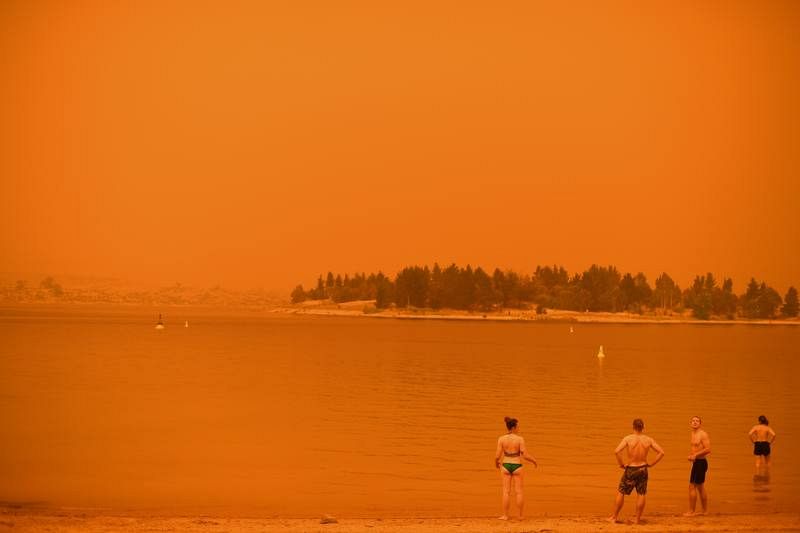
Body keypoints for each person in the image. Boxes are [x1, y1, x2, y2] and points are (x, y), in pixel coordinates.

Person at [608, 418, 665, 524]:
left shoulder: (628, 438)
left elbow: (616, 451)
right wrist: (651, 464)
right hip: (643, 468)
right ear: (643, 428)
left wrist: (621, 464)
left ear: (633, 427)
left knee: (621, 492)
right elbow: (661, 452)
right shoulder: (648, 439)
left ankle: (614, 517)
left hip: (631, 468)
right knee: (641, 493)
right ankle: (637, 520)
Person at [494, 416, 538, 520]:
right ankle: (520, 515)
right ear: (513, 427)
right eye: (518, 427)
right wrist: (534, 460)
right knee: (519, 491)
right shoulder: (520, 439)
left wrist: (496, 462)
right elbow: (525, 455)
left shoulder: (501, 439)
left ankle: (505, 515)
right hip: (517, 465)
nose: (519, 428)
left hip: (505, 465)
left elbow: (497, 455)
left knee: (506, 491)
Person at [684, 416, 711, 516]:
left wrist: (695, 455)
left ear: (700, 424)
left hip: (701, 463)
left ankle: (691, 511)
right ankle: (705, 511)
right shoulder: (693, 433)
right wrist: (692, 455)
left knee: (692, 486)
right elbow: (696, 448)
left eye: (697, 421)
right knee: (700, 487)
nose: (695, 422)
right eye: (693, 421)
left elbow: (708, 449)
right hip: (697, 463)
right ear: (690, 423)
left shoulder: (703, 434)